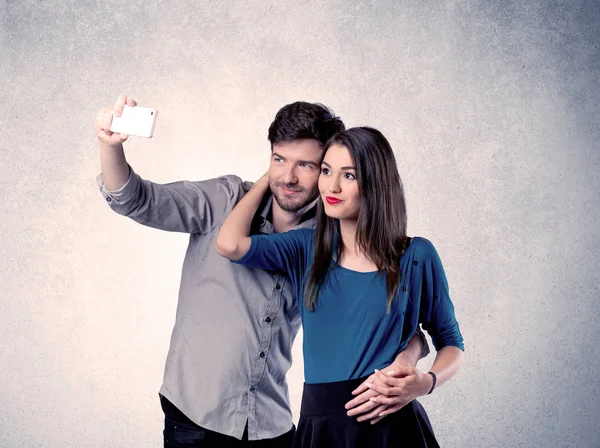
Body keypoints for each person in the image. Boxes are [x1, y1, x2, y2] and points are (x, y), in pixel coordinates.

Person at [94, 97, 429, 447]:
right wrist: (108, 144)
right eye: (279, 159)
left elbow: (399, 324)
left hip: (271, 425)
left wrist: (408, 371)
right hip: (194, 418)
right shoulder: (224, 200)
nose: (288, 177)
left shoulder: (332, 242)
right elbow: (136, 199)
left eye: (306, 165)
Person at [216, 126, 465, 447]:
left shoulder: (416, 255)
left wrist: (425, 383)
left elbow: (451, 341)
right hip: (321, 426)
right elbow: (230, 244)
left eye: (348, 175)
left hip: (394, 428)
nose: (331, 185)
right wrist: (272, 176)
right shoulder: (305, 247)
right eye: (326, 171)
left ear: (376, 183)